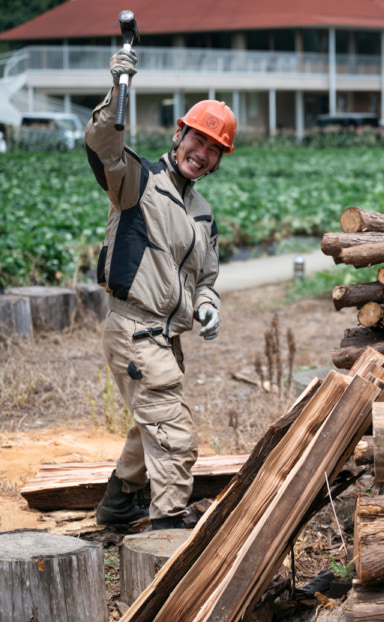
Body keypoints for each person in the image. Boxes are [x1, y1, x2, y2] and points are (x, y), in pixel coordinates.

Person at [84, 46, 236, 529]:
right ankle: (169, 523)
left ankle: (117, 502)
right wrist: (117, 90)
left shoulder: (203, 210)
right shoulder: (137, 181)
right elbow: (103, 143)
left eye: (214, 149)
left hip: (166, 340)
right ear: (180, 133)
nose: (203, 153)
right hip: (133, 329)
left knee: (149, 421)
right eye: (198, 139)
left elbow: (207, 278)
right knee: (175, 433)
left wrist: (207, 305)